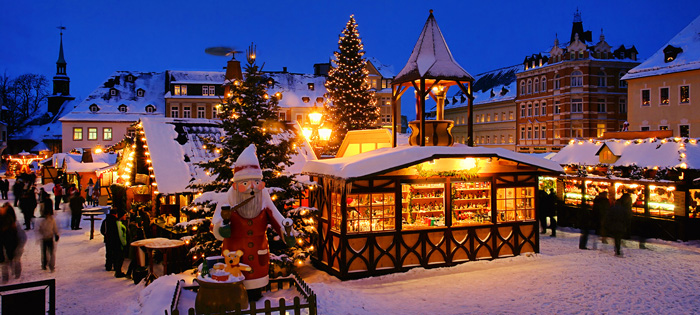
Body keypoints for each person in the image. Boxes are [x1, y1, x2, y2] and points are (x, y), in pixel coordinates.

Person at [212, 144, 292, 301]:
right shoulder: (228, 199)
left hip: (258, 254)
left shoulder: (263, 197)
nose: (252, 188)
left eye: (256, 183)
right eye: (245, 184)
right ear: (236, 185)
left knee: (256, 293)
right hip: (234, 253)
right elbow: (216, 224)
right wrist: (223, 226)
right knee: (236, 286)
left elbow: (277, 217)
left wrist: (286, 231)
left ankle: (255, 296)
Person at [100, 209, 127, 277]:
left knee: (108, 252)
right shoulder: (116, 222)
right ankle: (115, 267)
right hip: (115, 240)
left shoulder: (105, 221)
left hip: (108, 239)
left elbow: (102, 230)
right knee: (115, 254)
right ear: (115, 214)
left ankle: (108, 266)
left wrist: (106, 235)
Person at [0, 203, 19, 283]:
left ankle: (13, 270)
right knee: (2, 258)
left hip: (8, 237)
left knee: (10, 254)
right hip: (3, 238)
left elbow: (13, 228)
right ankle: (5, 276)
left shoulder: (9, 217)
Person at [37, 205, 59, 271]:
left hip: (50, 237)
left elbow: (54, 227)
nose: (48, 215)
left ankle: (51, 266)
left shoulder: (52, 220)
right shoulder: (42, 221)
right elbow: (39, 229)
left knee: (51, 252)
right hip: (44, 238)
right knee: (44, 253)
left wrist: (56, 234)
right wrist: (41, 234)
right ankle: (44, 264)